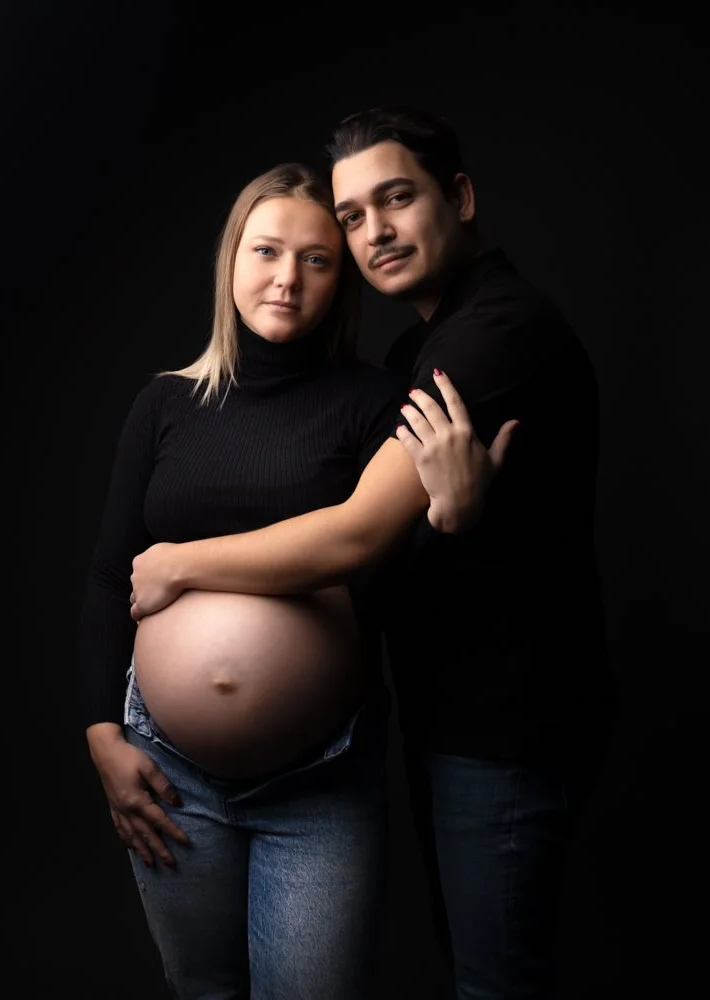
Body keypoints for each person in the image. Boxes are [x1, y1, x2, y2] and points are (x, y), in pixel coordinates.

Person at [128, 106, 618, 999]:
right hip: (457, 716)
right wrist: (448, 523)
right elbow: (404, 570)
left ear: (459, 197)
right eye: (352, 216)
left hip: (505, 724)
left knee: (496, 984)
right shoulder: (426, 342)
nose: (373, 232)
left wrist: (179, 564)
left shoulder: (489, 334)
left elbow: (356, 536)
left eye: (396, 199)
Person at [78, 160, 512, 1000]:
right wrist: (101, 734)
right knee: (203, 988)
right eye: (266, 250)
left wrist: (452, 519)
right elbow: (107, 576)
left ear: (341, 279)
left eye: (316, 259)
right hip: (172, 771)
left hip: (321, 779)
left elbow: (400, 593)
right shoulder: (165, 403)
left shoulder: (378, 403)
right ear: (230, 259)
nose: (286, 278)